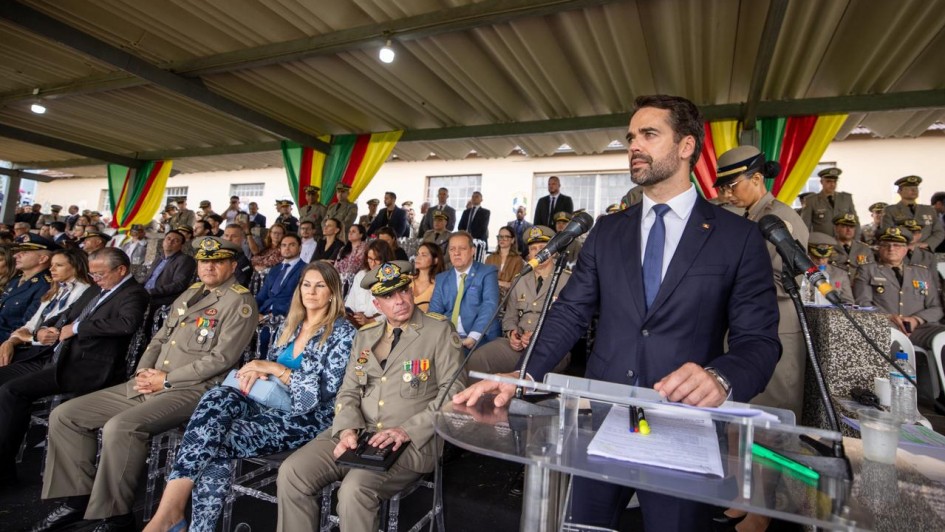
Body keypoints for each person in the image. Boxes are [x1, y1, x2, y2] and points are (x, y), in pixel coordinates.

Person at [455, 94, 780, 531]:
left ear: (686, 146)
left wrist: (721, 377)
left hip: (683, 423)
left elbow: (758, 340)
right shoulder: (607, 232)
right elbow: (570, 312)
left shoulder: (737, 238)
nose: (634, 146)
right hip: (601, 418)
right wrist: (526, 373)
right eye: (630, 137)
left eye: (649, 134)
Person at [33, 237, 258, 532]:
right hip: (151, 379)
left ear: (232, 265)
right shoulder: (192, 292)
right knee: (66, 415)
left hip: (193, 389)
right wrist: (143, 372)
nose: (209, 267)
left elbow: (221, 359)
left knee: (121, 426)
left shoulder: (240, 301)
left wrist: (164, 379)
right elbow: (161, 337)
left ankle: (115, 516)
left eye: (217, 261)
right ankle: (77, 500)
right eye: (204, 261)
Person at [143, 262, 356, 532]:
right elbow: (266, 371)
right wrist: (256, 371)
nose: (311, 292)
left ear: (333, 293)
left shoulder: (343, 333)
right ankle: (173, 516)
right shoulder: (289, 326)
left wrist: (276, 369)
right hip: (267, 403)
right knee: (218, 395)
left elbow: (326, 392)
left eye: (320, 286)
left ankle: (176, 519)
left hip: (306, 417)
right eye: (306, 285)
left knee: (213, 442)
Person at [275, 260, 465, 532]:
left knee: (354, 491)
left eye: (403, 291)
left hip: (409, 442)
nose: (399, 300)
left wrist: (406, 430)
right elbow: (349, 389)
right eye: (388, 295)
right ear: (377, 304)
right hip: (359, 433)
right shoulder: (366, 336)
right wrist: (347, 429)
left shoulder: (438, 331)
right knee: (292, 473)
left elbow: (454, 390)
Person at [0, 248, 148, 488]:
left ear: (121, 270)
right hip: (52, 356)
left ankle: (4, 470)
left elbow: (126, 323)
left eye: (100, 274)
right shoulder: (95, 289)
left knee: (12, 391)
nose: (95, 279)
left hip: (83, 365)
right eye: (93, 274)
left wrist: (78, 328)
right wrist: (43, 331)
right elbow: (65, 315)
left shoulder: (134, 293)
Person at [715, 145, 807, 420]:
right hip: (751, 324)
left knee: (773, 416)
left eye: (732, 185)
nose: (727, 194)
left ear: (756, 179)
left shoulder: (780, 218)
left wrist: (728, 286)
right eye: (724, 187)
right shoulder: (750, 215)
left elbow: (787, 279)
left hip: (777, 328)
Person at [471, 226, 571, 374]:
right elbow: (509, 317)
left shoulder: (567, 280)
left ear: (553, 251)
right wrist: (512, 334)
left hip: (551, 347)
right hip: (518, 346)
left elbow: (569, 323)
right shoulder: (520, 279)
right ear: (529, 254)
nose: (538, 252)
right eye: (533, 248)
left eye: (543, 248)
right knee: (477, 359)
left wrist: (539, 336)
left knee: (526, 368)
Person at [855, 227, 943, 344]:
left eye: (897, 245)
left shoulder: (922, 273)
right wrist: (888, 317)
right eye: (886, 245)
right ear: (879, 249)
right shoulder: (867, 270)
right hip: (884, 328)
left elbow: (936, 308)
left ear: (906, 249)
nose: (891, 249)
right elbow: (862, 304)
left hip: (919, 329)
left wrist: (916, 320)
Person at [429, 231, 501, 349]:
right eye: (452, 249)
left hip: (481, 338)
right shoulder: (442, 279)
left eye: (462, 248)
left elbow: (489, 305)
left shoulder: (487, 272)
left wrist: (473, 336)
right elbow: (434, 312)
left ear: (473, 251)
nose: (456, 253)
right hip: (449, 338)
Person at [0, 238, 54, 341]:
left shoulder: (45, 286)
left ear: (42, 259)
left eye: (24, 252)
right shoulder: (16, 280)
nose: (16, 255)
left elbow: (26, 325)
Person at [883, 175, 945, 251]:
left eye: (916, 188)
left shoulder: (928, 210)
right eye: (909, 188)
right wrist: (909, 239)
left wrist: (927, 244)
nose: (914, 191)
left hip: (926, 253)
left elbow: (939, 232)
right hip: (901, 253)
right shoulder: (890, 210)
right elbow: (886, 232)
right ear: (899, 191)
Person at [344, 240, 393, 329]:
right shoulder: (361, 275)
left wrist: (369, 321)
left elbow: (393, 312)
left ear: (385, 259)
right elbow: (350, 304)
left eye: (377, 259)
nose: (373, 263)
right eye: (370, 258)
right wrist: (352, 315)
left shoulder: (392, 278)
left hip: (380, 326)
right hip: (357, 324)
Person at [143, 230, 198, 310]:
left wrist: (152, 291)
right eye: (168, 239)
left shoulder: (185, 260)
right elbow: (149, 278)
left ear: (181, 246)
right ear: (163, 241)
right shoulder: (159, 258)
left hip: (161, 300)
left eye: (175, 241)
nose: (170, 242)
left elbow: (179, 285)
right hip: (144, 294)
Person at [257, 234, 305, 319]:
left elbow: (301, 299)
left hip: (286, 316)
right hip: (263, 312)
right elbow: (262, 295)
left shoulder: (306, 269)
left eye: (292, 245)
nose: (287, 248)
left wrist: (270, 316)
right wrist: (252, 310)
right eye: (284, 245)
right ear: (280, 248)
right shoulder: (274, 269)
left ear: (300, 248)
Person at [800, 167, 858, 236]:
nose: (832, 184)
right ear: (821, 182)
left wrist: (855, 242)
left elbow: (855, 222)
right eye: (828, 181)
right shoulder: (811, 200)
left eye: (835, 181)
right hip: (822, 243)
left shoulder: (846, 199)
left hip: (842, 243)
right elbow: (805, 226)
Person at [807, 233, 855, 305]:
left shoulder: (840, 274)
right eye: (816, 257)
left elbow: (849, 302)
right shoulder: (802, 273)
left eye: (824, 258)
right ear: (809, 255)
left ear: (829, 256)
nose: (821, 261)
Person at [485, 225, 524, 300]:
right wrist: (503, 283)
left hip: (509, 298)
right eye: (500, 236)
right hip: (489, 295)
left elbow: (515, 284)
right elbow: (485, 280)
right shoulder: (490, 258)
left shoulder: (518, 259)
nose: (502, 239)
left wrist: (496, 282)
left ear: (512, 240)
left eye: (506, 237)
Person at [412, 242, 446, 312]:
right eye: (417, 254)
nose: (418, 258)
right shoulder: (406, 280)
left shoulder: (439, 285)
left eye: (423, 255)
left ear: (435, 260)